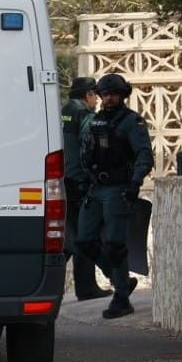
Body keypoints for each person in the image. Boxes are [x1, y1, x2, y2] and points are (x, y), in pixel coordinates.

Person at [77, 72, 153, 319]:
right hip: (95, 189)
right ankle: (119, 279)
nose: (109, 98)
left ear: (123, 96)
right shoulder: (96, 121)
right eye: (105, 94)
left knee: (114, 244)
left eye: (114, 94)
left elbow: (144, 154)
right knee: (85, 241)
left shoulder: (132, 122)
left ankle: (121, 298)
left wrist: (134, 182)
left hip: (118, 189)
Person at [62, 77, 109, 301]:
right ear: (88, 95)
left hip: (62, 181)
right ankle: (87, 288)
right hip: (80, 183)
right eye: (95, 96)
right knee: (84, 235)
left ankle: (82, 286)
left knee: (69, 235)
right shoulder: (84, 115)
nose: (97, 101)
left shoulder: (62, 112)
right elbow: (92, 144)